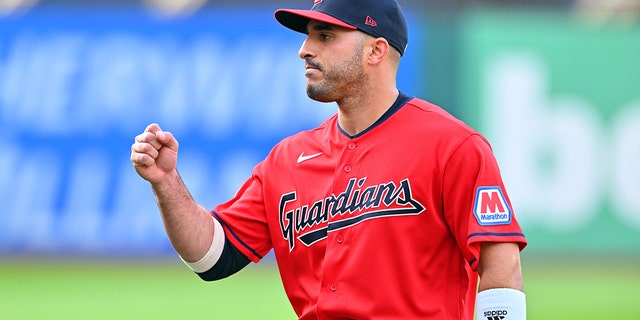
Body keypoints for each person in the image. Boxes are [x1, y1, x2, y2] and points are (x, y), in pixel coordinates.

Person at [130, 0, 527, 319]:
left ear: (376, 50)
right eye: (308, 36)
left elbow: (501, 266)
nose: (305, 49)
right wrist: (166, 184)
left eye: (325, 35)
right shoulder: (286, 159)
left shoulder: (451, 145)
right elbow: (213, 257)